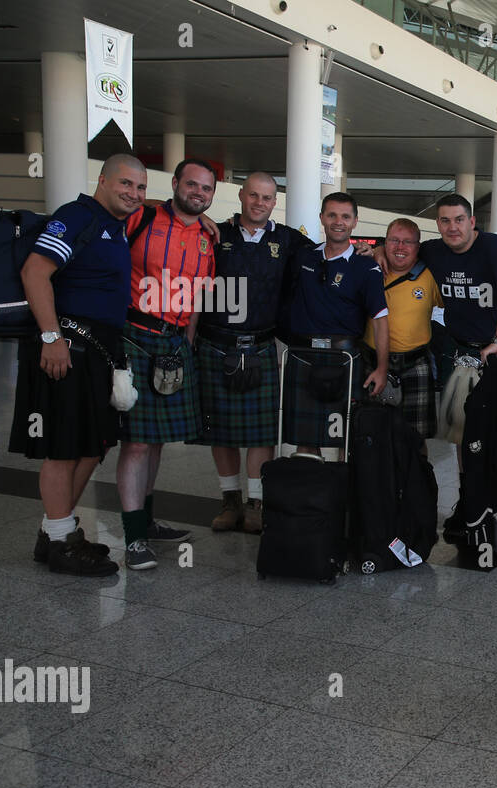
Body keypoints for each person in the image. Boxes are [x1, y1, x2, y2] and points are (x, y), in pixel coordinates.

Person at [13, 154, 147, 576]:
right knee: (63, 447)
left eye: (140, 188)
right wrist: (52, 338)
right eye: (125, 184)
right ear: (103, 180)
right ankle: (60, 540)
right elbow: (35, 272)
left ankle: (56, 532)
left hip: (99, 350)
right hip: (67, 345)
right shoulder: (77, 216)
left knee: (93, 444)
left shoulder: (116, 226)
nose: (133, 193)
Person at [116, 157, 217, 570]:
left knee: (155, 440)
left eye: (206, 189)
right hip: (135, 335)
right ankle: (133, 537)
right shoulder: (140, 217)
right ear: (175, 183)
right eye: (192, 184)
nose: (198, 193)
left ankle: (146, 520)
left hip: (175, 343)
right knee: (137, 442)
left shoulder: (210, 239)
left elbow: (197, 298)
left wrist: (189, 342)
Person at [198, 171, 313, 533]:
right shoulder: (216, 233)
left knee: (261, 434)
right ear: (241, 196)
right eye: (253, 196)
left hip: (262, 344)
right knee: (220, 431)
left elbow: (328, 257)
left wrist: (365, 250)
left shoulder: (291, 241)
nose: (259, 203)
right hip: (215, 343)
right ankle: (229, 502)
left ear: (274, 202)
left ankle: (255, 504)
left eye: (266, 197)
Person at [282, 192, 388, 457]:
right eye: (332, 215)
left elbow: (380, 320)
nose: (338, 222)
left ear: (354, 222)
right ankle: (309, 493)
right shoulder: (303, 256)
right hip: (303, 356)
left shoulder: (367, 267)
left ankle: (342, 496)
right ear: (322, 218)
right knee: (305, 438)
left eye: (345, 216)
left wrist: (382, 368)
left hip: (345, 359)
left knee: (348, 439)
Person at [419, 194, 497, 390]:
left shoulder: (492, 245)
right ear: (438, 223)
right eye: (445, 221)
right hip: (457, 345)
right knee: (452, 416)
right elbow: (402, 252)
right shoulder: (432, 250)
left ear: (472, 221)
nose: (452, 227)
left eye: (459, 219)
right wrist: (379, 251)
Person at [363, 218, 440, 450]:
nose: (400, 247)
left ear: (418, 247)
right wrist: (376, 251)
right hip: (372, 363)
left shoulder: (431, 276)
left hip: (415, 365)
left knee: (416, 439)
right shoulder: (368, 269)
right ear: (384, 243)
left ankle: (417, 484)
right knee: (371, 434)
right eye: (394, 240)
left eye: (407, 242)